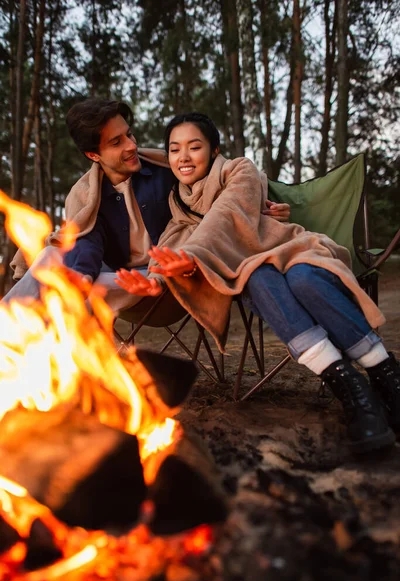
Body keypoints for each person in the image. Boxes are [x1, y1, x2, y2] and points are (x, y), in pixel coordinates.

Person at [116, 111, 400, 455]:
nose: (184, 157)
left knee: (304, 278)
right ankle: (351, 387)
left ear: (215, 150)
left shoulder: (240, 171)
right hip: (253, 269)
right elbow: (173, 239)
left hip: (292, 250)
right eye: (174, 150)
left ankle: (387, 377)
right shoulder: (179, 202)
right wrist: (156, 280)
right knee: (257, 277)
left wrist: (193, 253)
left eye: (194, 147)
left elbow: (227, 213)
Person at [4, 98, 289, 318]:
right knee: (52, 254)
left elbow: (221, 181)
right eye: (117, 142)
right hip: (116, 275)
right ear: (93, 155)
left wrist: (259, 203)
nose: (131, 146)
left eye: (129, 135)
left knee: (74, 289)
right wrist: (81, 275)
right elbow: (88, 237)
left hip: (163, 278)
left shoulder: (167, 170)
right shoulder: (86, 195)